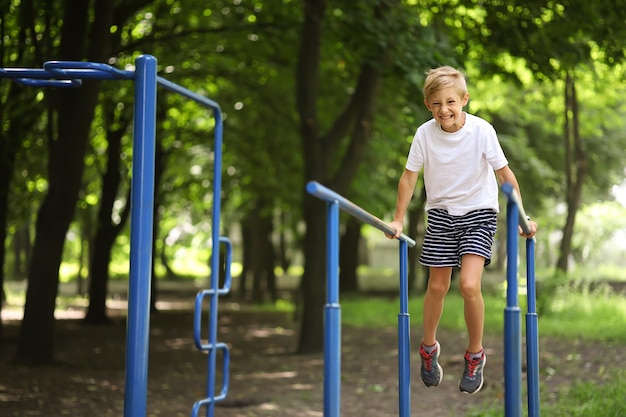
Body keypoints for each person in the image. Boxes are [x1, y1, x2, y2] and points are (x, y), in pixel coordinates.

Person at [385, 66, 538, 395]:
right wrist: (398, 219)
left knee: (469, 285)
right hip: (440, 215)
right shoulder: (424, 134)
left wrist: (523, 217)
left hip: (480, 213)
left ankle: (475, 354)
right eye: (436, 103)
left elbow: (505, 176)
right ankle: (429, 349)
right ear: (428, 105)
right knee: (437, 287)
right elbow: (409, 177)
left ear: (464, 100)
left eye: (451, 101)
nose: (445, 110)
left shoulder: (482, 131)